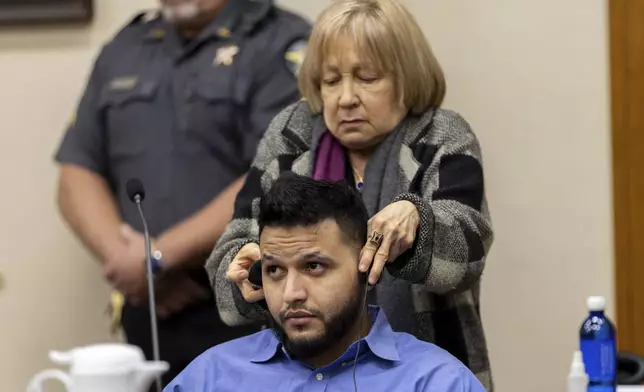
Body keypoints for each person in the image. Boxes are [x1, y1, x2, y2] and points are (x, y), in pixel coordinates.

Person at [206, 0, 495, 389]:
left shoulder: (441, 135)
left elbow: (466, 257)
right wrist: (254, 275)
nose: (345, 98)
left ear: (406, 78)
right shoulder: (292, 135)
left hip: (425, 376)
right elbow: (229, 263)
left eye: (367, 78)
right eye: (330, 81)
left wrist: (415, 223)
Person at [54, 0, 311, 385]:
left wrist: (159, 258)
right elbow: (77, 172)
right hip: (149, 306)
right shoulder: (127, 46)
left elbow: (279, 169)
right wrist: (134, 265)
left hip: (247, 301)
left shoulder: (280, 41)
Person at [167, 174, 486, 391]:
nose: (291, 294)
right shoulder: (211, 377)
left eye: (314, 266)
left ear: (366, 262)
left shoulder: (436, 382)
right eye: (275, 270)